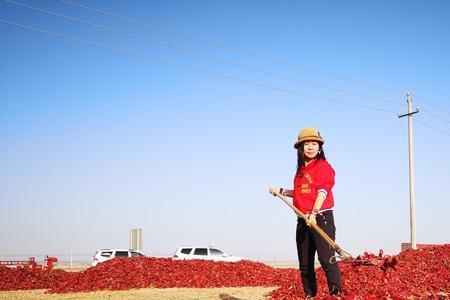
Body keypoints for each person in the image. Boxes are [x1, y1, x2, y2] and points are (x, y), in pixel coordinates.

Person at [269, 127, 342, 298]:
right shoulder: (301, 170)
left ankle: (336, 294)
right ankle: (310, 295)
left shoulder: (323, 166)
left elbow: (322, 191)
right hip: (303, 219)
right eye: (306, 144)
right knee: (305, 264)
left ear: (319, 147)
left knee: (326, 260)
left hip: (321, 217)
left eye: (314, 144)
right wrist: (280, 191)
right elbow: (300, 192)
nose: (310, 147)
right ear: (301, 148)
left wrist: (314, 213)